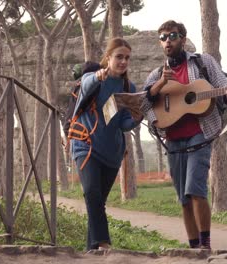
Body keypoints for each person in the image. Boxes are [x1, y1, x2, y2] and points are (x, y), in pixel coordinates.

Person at [142, 20, 227, 249]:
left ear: (183, 39)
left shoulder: (203, 62)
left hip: (200, 135)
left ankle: (205, 245)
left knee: (195, 189)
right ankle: (194, 247)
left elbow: (224, 92)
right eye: (163, 37)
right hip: (173, 140)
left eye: (173, 36)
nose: (168, 41)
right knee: (183, 199)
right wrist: (161, 115)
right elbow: (144, 104)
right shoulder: (156, 74)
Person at [70, 37, 142, 251]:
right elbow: (87, 84)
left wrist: (138, 116)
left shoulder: (129, 86)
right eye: (119, 57)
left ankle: (91, 252)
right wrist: (98, 76)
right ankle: (103, 244)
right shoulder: (91, 78)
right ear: (108, 57)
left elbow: (124, 124)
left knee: (97, 203)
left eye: (127, 58)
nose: (123, 62)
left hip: (112, 153)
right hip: (85, 146)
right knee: (92, 193)